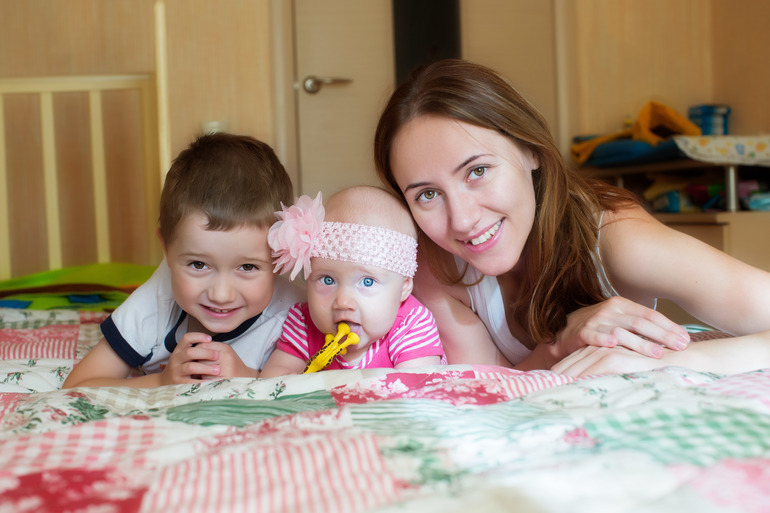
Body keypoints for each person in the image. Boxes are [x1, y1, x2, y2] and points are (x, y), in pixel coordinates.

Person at [373, 58, 770, 376]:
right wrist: (560, 345)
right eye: (427, 194)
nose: (461, 220)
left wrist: (673, 362)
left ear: (531, 151)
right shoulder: (433, 266)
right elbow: (490, 386)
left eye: (478, 171)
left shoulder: (619, 238)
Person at [62, 132, 304, 388]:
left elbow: (316, 389)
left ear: (279, 257)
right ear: (166, 248)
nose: (221, 295)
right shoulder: (156, 302)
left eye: (247, 266)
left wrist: (247, 377)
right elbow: (78, 385)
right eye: (199, 264)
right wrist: (161, 381)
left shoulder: (296, 315)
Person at [259, 185, 445, 377]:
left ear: (404, 287)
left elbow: (415, 386)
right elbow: (272, 381)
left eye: (367, 282)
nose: (343, 302)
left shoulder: (411, 324)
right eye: (327, 280)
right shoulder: (303, 323)